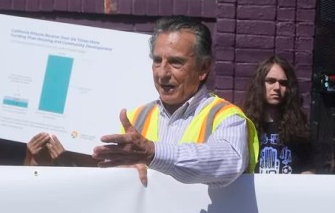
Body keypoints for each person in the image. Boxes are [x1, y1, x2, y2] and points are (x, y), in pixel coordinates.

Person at [92, 16, 258, 187]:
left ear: (203, 68)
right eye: (157, 61)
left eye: (175, 62)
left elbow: (229, 163)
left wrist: (153, 153)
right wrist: (123, 171)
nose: (162, 73)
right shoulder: (134, 118)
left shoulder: (226, 117)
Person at [242, 56, 314, 174]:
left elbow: (308, 171)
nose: (277, 87)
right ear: (259, 84)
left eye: (283, 83)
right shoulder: (244, 126)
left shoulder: (300, 129)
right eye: (271, 81)